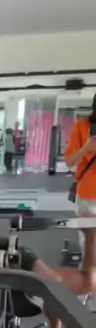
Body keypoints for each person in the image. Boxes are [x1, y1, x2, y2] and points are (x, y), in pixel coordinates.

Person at [64, 95, 96, 297]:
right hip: (88, 197)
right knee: (89, 249)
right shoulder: (82, 127)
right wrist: (86, 148)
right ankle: (85, 295)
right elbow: (69, 162)